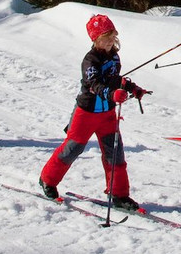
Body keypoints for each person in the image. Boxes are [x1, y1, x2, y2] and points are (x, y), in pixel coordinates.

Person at [39, 14, 148, 211]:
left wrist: (133, 89)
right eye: (104, 38)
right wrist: (113, 94)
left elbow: (115, 79)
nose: (109, 41)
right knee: (72, 149)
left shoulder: (114, 56)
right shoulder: (90, 60)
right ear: (95, 39)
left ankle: (119, 195)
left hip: (107, 115)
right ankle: (47, 180)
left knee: (115, 155)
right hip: (87, 113)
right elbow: (94, 85)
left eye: (112, 36)